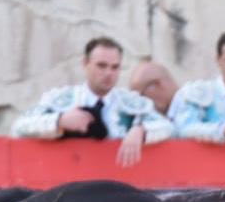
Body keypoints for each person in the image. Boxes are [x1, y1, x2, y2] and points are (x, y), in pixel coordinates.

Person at [11, 36, 172, 166]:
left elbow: (169, 127)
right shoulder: (63, 100)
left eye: (115, 67)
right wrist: (59, 121)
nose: (109, 73)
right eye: (102, 66)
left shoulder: (130, 103)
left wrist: (141, 130)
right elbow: (19, 127)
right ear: (85, 64)